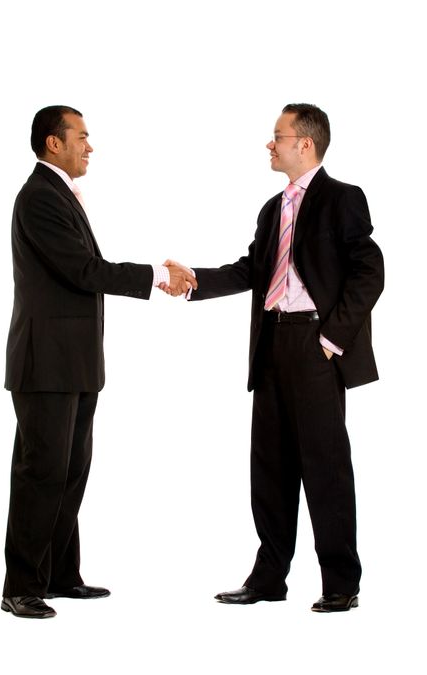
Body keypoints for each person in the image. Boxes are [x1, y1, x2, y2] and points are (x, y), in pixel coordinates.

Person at [163, 103, 384, 612]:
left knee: (325, 467)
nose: (270, 143)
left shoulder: (341, 199)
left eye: (278, 136)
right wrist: (194, 279)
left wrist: (332, 339)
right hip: (271, 346)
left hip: (315, 347)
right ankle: (268, 579)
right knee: (270, 466)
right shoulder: (272, 208)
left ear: (304, 143)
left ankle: (339, 583)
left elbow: (369, 271)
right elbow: (252, 270)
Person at [2, 105, 196, 619]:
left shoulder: (59, 194)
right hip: (44, 365)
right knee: (41, 473)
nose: (90, 147)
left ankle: (61, 575)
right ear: (53, 143)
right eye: (82, 137)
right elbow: (83, 271)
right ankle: (20, 585)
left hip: (76, 363)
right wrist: (157, 275)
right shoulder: (39, 197)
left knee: (71, 472)